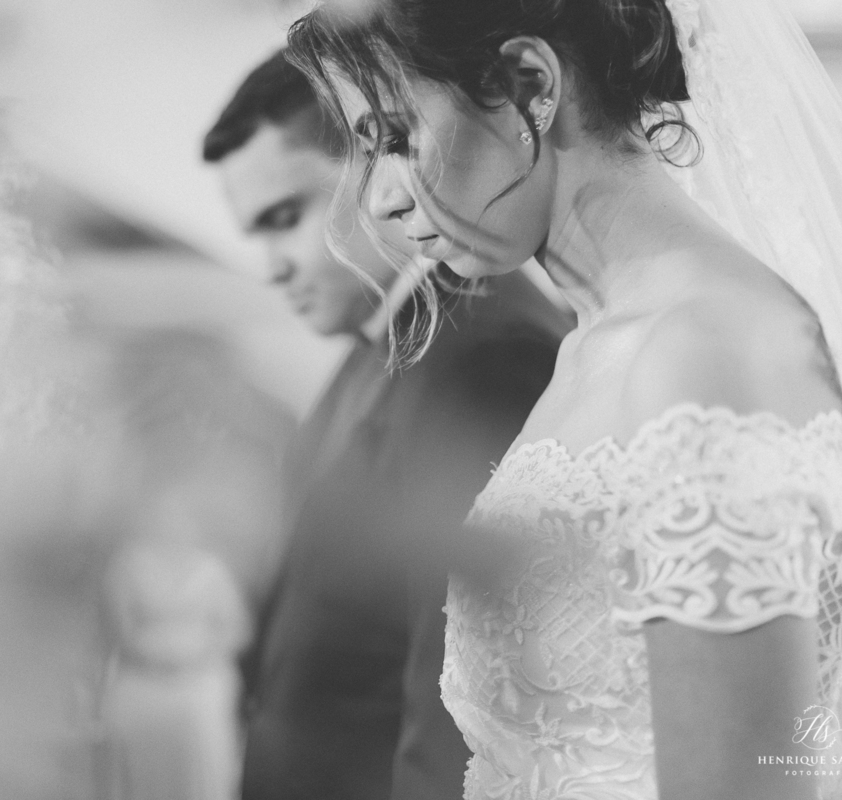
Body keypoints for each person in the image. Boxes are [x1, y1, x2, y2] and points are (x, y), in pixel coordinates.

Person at [286, 0, 842, 799]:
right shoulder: (595, 345)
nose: (380, 201)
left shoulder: (705, 351)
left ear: (529, 83)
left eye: (397, 138)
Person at [204, 50, 570, 800]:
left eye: (286, 217)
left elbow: (463, 702)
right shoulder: (381, 346)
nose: (271, 266)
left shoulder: (487, 354)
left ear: (375, 163)